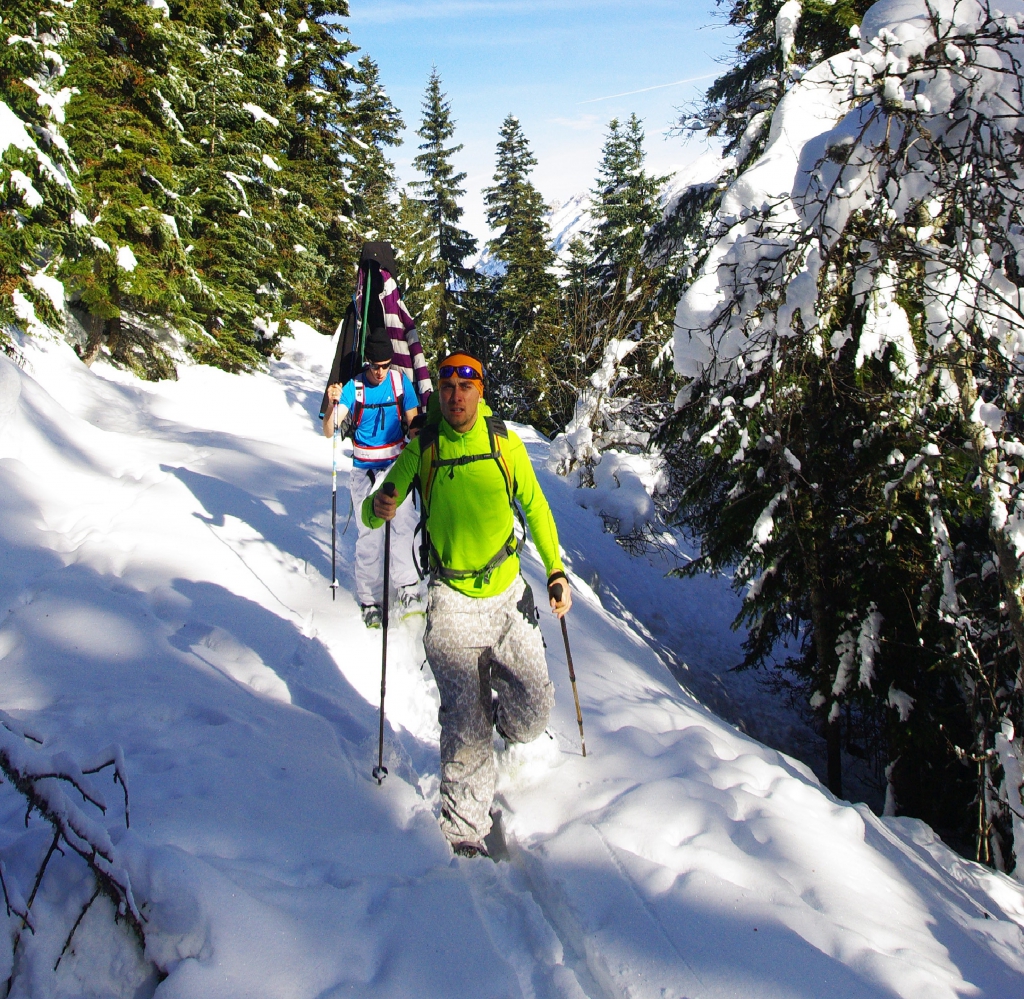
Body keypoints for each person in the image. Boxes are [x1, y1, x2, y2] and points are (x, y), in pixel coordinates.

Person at [362, 351, 572, 857]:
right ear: (442, 390)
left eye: (467, 385)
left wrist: (557, 571)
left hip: (507, 594)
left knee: (536, 710)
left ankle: (503, 721)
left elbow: (537, 508)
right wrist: (379, 505)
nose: (457, 395)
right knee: (464, 721)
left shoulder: (505, 444)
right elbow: (376, 512)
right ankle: (464, 834)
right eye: (449, 386)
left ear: (481, 390)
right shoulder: (424, 449)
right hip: (451, 600)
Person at [323, 326, 423, 627]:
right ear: (367, 362)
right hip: (365, 471)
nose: (379, 372)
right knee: (371, 535)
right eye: (374, 366)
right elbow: (330, 431)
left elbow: (413, 421)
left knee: (404, 526)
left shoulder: (399, 381)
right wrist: (332, 403)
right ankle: (370, 600)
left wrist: (419, 445)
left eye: (384, 366)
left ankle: (407, 588)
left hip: (396, 468)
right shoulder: (354, 388)